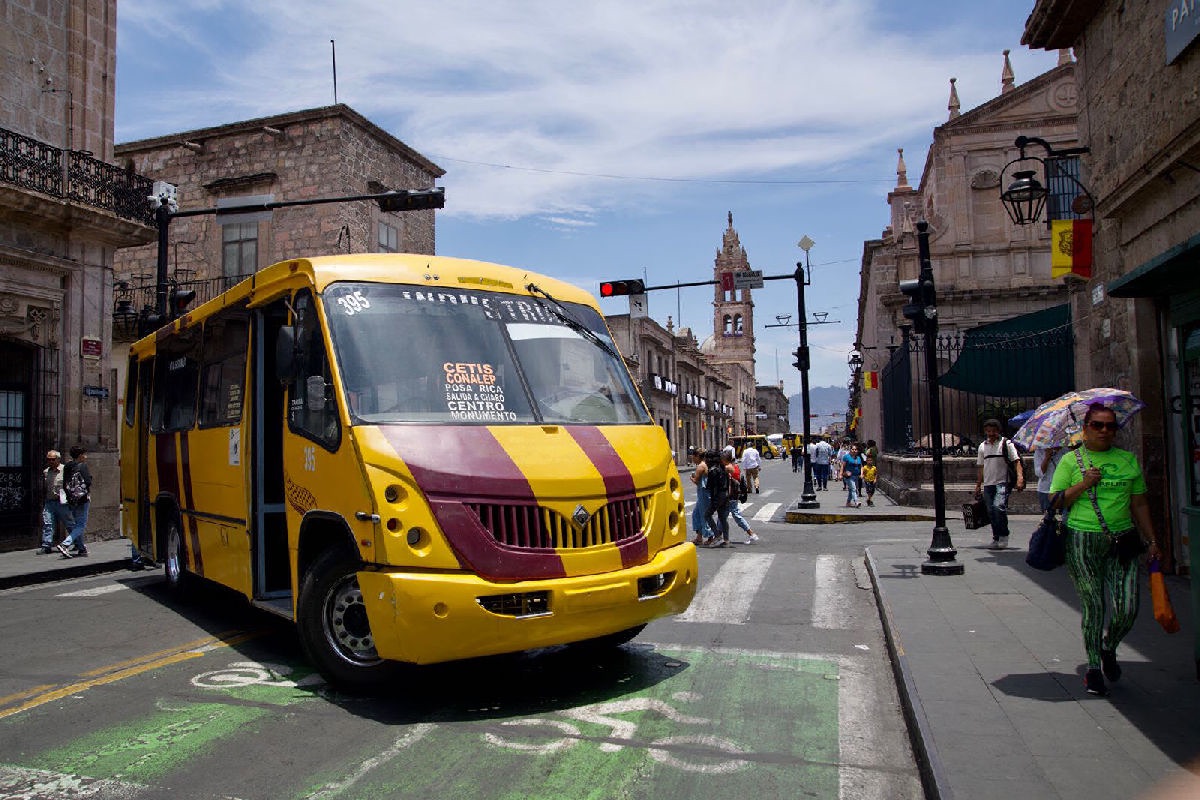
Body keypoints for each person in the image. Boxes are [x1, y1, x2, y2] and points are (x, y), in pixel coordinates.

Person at [1049, 403, 1161, 697]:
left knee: (1128, 607)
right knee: (1094, 605)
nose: (1105, 431)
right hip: (1083, 539)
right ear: (1085, 428)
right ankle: (1094, 667)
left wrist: (1152, 540)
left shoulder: (1127, 460)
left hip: (1123, 540)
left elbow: (1139, 503)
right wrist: (1084, 484)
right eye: (1098, 425)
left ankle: (1109, 646)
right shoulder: (1071, 461)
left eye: (1110, 426)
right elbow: (1055, 502)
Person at [973, 418, 1025, 549]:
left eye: (993, 431)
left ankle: (1003, 535)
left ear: (998, 431)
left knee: (998, 507)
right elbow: (980, 467)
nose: (990, 434)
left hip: (1003, 482)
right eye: (988, 431)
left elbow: (1016, 461)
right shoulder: (982, 446)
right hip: (988, 483)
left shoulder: (1006, 444)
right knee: (990, 511)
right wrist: (978, 484)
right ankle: (996, 536)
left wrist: (1020, 478)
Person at [57, 445, 92, 557]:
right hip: (82, 499)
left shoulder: (67, 466)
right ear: (80, 455)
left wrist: (69, 497)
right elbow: (88, 482)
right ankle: (65, 544)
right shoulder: (82, 466)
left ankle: (82, 549)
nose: (86, 456)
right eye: (84, 454)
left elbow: (64, 483)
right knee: (81, 525)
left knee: (77, 524)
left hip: (72, 499)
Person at [39, 450, 74, 555]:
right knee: (48, 523)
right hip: (50, 501)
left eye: (53, 459)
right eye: (48, 459)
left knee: (69, 523)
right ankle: (46, 545)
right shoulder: (46, 472)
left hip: (62, 502)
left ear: (58, 459)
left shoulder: (65, 470)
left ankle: (77, 541)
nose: (50, 461)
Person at [721, 450, 760, 544]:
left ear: (725, 459)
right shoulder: (736, 466)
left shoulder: (728, 468)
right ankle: (719, 536)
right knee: (723, 516)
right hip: (734, 494)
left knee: (734, 515)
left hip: (730, 495)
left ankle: (751, 533)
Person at [687, 446, 714, 546]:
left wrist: (691, 478)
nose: (693, 459)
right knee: (696, 514)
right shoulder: (704, 464)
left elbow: (696, 481)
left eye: (694, 457)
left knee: (703, 515)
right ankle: (699, 537)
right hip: (703, 493)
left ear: (697, 456)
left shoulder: (700, 466)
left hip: (703, 493)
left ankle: (710, 536)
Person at [1034, 444, 1065, 513]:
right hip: (1046, 489)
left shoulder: (1065, 450)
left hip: (1063, 488)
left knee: (1065, 516)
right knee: (1049, 517)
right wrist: (1047, 457)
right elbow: (1039, 473)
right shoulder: (1039, 451)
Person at [840, 443, 864, 508]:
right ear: (850, 450)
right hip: (848, 476)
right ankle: (856, 502)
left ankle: (848, 503)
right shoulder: (846, 457)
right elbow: (843, 466)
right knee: (854, 489)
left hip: (856, 476)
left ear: (857, 451)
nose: (854, 450)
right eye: (852, 449)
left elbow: (861, 466)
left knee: (851, 490)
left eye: (855, 449)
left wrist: (861, 474)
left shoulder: (858, 458)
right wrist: (840, 474)